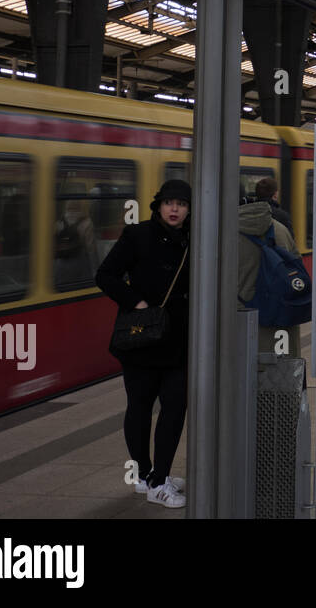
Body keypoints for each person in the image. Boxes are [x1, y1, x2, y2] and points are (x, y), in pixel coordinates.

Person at [95, 180, 191, 508]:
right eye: (169, 203)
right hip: (141, 338)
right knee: (139, 407)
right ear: (158, 206)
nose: (175, 209)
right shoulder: (138, 235)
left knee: (175, 408)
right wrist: (135, 302)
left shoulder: (195, 239)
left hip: (178, 339)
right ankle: (144, 474)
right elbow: (105, 275)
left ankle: (159, 479)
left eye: (181, 203)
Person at [239, 189, 301, 357]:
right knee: (282, 376)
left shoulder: (224, 234)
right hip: (282, 324)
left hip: (243, 326)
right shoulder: (281, 229)